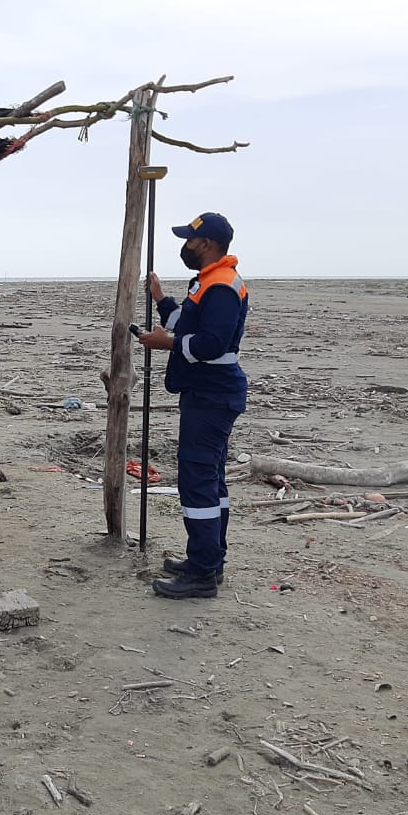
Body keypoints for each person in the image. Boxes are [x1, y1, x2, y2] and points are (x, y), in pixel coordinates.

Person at [135, 212, 249, 599]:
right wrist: (161, 298)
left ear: (208, 244)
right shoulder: (209, 281)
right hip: (208, 393)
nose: (185, 245)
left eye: (190, 240)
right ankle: (209, 560)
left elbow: (210, 343)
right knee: (211, 480)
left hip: (212, 395)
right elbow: (188, 322)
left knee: (198, 481)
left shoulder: (220, 286)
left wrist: (165, 344)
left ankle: (202, 573)